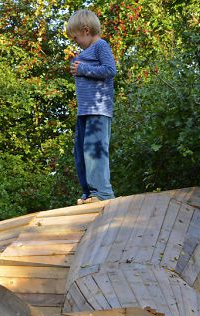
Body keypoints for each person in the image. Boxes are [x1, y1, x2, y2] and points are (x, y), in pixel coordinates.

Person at [67, 9, 117, 204]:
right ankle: (89, 192)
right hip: (85, 111)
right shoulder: (86, 51)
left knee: (95, 149)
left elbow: (110, 70)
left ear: (86, 30)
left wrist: (82, 69)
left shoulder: (100, 45)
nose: (75, 42)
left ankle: (102, 193)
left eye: (76, 37)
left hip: (98, 108)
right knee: (80, 151)